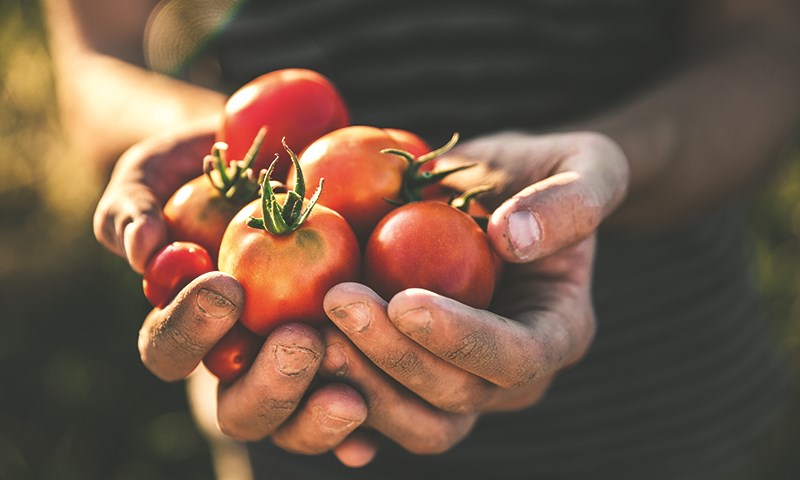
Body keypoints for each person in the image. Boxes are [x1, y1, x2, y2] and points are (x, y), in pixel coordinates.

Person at [44, 0, 800, 478]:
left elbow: (770, 47)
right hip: (292, 415)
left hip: (665, 402)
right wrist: (210, 162)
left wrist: (613, 170)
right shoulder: (314, 209)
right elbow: (98, 57)